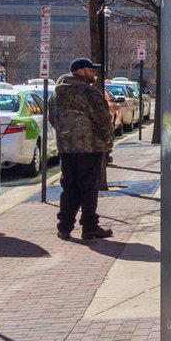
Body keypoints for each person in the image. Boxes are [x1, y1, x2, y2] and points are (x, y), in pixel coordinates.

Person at [49, 56, 116, 241]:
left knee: (69, 187)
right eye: (90, 70)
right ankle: (89, 226)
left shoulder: (56, 94)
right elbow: (103, 119)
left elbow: (52, 118)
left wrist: (66, 136)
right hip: (89, 147)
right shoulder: (88, 92)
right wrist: (108, 140)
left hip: (66, 148)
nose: (93, 73)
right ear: (80, 71)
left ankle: (64, 227)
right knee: (88, 188)